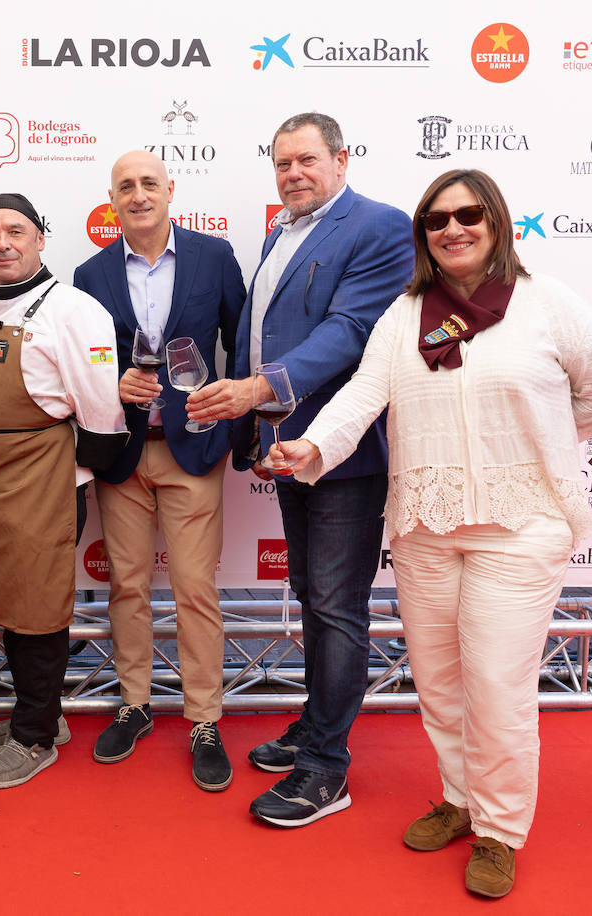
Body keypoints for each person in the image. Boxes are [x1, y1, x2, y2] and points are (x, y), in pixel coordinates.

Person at [270, 169, 592, 897]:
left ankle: (500, 830)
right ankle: (460, 800)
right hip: (426, 526)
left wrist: (545, 447)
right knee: (438, 681)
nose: (452, 229)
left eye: (468, 215)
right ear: (423, 234)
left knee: (496, 685)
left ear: (495, 221)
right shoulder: (405, 317)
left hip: (518, 527)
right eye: (436, 219)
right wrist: (313, 448)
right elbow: (366, 395)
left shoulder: (545, 304)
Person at [187, 112, 413, 826]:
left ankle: (326, 769)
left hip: (345, 455)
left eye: (307, 160)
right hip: (288, 449)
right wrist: (248, 408)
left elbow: (350, 334)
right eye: (282, 163)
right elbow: (262, 328)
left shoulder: (379, 227)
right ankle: (318, 728)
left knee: (336, 608)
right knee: (316, 599)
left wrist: (258, 390)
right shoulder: (280, 232)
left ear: (341, 159)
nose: (293, 174)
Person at [73, 150, 245, 791]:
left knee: (196, 590)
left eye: (149, 183)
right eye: (126, 186)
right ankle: (136, 704)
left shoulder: (213, 257)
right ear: (111, 199)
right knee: (127, 587)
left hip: (193, 450)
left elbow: (242, 340)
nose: (139, 194)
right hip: (122, 453)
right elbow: (84, 362)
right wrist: (111, 381)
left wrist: (237, 424)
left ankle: (204, 719)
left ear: (170, 190)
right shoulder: (88, 275)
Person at [0, 193, 128, 788]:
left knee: (38, 608)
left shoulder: (76, 310)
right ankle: (42, 711)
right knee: (9, 601)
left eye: (15, 231)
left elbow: (103, 411)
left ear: (40, 239)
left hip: (39, 479)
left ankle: (34, 736)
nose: (2, 243)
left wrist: (65, 475)